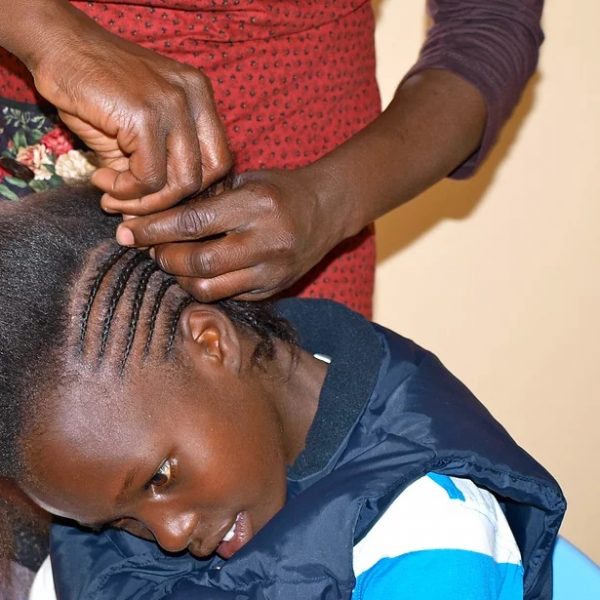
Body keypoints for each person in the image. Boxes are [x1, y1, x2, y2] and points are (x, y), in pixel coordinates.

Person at [0, 187, 564, 600]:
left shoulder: (427, 535)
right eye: (119, 523)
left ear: (212, 344)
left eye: (160, 477)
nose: (169, 536)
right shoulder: (86, 559)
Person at [0, 0, 545, 316]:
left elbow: (489, 23)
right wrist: (50, 35)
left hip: (299, 198)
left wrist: (328, 204)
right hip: (29, 108)